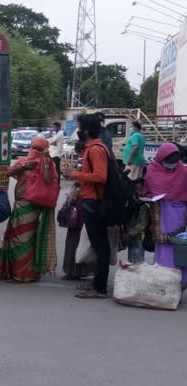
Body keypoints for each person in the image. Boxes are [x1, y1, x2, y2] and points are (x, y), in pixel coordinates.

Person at [0, 136, 58, 283]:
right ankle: (13, 272)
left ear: (44, 150)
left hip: (32, 206)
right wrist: (24, 167)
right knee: (15, 239)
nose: (34, 151)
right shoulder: (24, 162)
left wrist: (46, 161)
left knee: (24, 241)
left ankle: (24, 274)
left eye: (38, 149)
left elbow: (49, 180)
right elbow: (8, 172)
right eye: (33, 147)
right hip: (19, 205)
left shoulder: (47, 163)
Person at [65, 114, 109, 299]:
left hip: (94, 201)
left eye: (81, 128)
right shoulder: (95, 148)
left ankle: (100, 287)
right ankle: (98, 283)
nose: (79, 132)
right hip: (92, 199)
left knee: (100, 244)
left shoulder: (95, 150)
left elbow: (100, 177)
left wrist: (76, 175)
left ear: (88, 131)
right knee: (98, 243)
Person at [142, 142, 187, 289]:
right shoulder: (151, 170)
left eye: (174, 161)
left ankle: (178, 283)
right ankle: (164, 282)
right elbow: (146, 191)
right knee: (162, 246)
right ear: (161, 158)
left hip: (179, 213)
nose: (172, 164)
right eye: (168, 161)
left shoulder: (184, 172)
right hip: (160, 212)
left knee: (179, 245)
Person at [62, 141, 96, 281]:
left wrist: (75, 176)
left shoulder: (87, 165)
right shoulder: (89, 163)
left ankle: (74, 270)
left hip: (82, 205)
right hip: (84, 205)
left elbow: (80, 182)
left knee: (76, 239)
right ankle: (80, 270)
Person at [122, 179, 148, 265]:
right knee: (133, 261)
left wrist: (130, 234)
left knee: (136, 263)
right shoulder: (131, 201)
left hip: (138, 237)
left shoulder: (142, 204)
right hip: (131, 235)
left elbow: (142, 224)